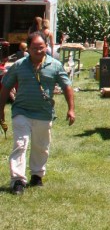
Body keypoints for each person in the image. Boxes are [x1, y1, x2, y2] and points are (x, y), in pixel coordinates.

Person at [0, 33, 76, 195]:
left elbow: (67, 86)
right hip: (21, 111)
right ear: (28, 49)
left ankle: (37, 175)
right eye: (34, 48)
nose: (38, 51)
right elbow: (6, 86)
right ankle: (18, 180)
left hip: (43, 113)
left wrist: (71, 109)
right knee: (20, 145)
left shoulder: (54, 65)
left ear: (46, 47)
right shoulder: (19, 65)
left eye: (41, 47)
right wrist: (1, 109)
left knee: (41, 146)